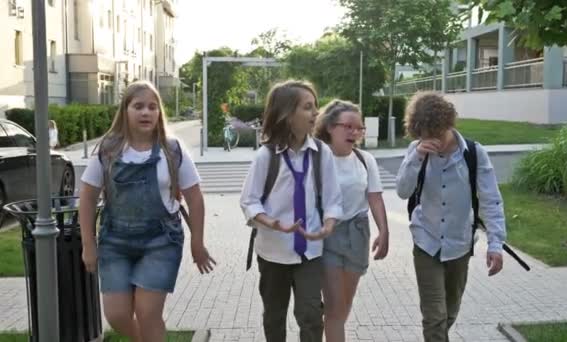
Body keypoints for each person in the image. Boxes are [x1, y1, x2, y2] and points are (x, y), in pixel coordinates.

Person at [78, 80, 216, 342]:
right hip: (115, 241)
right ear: (125, 110)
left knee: (147, 311)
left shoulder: (173, 150)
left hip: (161, 241)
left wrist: (198, 243)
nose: (146, 112)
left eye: (152, 107)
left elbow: (195, 199)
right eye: (138, 106)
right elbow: (86, 197)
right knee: (116, 315)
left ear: (159, 113)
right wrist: (88, 244)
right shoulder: (108, 149)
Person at [395, 92, 506, 342]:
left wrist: (495, 243)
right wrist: (417, 157)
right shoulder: (416, 150)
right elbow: (402, 191)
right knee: (434, 316)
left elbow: (491, 200)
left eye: (439, 135)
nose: (435, 142)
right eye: (427, 137)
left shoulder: (474, 153)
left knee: (449, 312)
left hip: (459, 243)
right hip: (426, 241)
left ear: (449, 125)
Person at [240, 80, 343, 342]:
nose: (315, 113)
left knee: (310, 314)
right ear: (287, 114)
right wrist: (275, 224)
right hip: (273, 251)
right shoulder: (266, 156)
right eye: (308, 107)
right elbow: (249, 201)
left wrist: (328, 226)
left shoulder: (322, 154)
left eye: (315, 106)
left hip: (309, 252)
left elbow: (333, 199)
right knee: (274, 315)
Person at [313, 99, 389, 342]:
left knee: (344, 305)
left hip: (358, 234)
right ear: (329, 127)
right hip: (328, 235)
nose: (355, 133)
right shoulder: (316, 158)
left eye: (359, 128)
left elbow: (375, 198)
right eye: (348, 127)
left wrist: (384, 231)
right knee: (335, 306)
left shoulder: (365, 159)